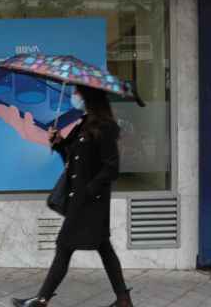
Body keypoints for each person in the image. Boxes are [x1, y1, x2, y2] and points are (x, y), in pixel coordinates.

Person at [11, 84, 134, 307]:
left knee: (64, 246)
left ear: (88, 96)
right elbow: (73, 156)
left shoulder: (105, 126)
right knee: (103, 248)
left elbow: (111, 168)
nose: (74, 96)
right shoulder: (85, 123)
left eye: (77, 92)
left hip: (90, 202)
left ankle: (41, 300)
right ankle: (123, 300)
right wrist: (58, 141)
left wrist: (89, 191)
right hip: (81, 200)